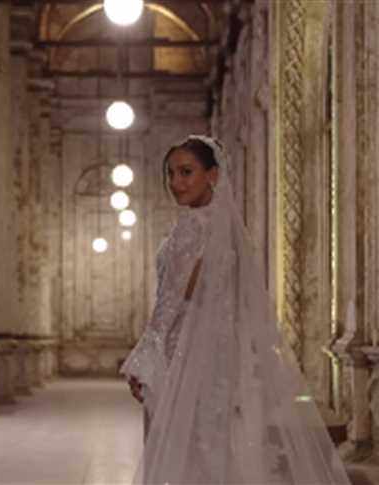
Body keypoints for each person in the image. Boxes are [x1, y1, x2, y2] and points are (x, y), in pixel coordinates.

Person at [120, 135, 351, 484]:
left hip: (183, 356)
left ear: (212, 175)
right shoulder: (223, 229)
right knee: (210, 447)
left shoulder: (194, 229)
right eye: (171, 173)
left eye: (186, 172)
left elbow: (174, 301)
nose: (176, 182)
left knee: (182, 450)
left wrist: (146, 356)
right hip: (215, 355)